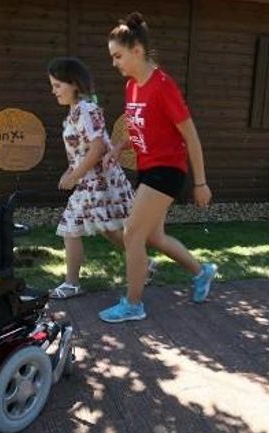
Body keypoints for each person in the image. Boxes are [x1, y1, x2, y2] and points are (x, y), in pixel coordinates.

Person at [100, 12, 217, 323]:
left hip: (168, 169)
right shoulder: (132, 87)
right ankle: (201, 271)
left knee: (132, 233)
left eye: (118, 56)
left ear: (137, 51)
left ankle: (134, 303)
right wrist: (120, 146)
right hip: (148, 169)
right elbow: (141, 127)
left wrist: (200, 182)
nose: (115, 63)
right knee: (154, 236)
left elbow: (190, 136)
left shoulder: (163, 86)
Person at [47, 56, 148, 299]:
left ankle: (72, 284)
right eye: (52, 86)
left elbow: (97, 149)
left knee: (70, 228)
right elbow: (81, 151)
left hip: (98, 181)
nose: (54, 91)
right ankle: (146, 264)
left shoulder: (87, 110)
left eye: (58, 86)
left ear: (74, 84)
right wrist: (70, 171)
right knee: (109, 228)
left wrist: (75, 177)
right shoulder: (74, 113)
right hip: (90, 180)